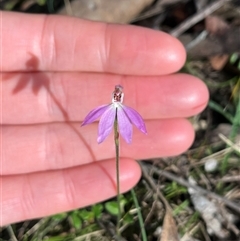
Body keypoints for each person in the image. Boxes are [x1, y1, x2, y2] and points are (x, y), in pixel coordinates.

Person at [1, 11, 209, 226]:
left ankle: (120, 214)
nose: (117, 94)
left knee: (122, 136)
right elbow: (93, 117)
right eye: (116, 93)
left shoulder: (123, 109)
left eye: (118, 93)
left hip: (116, 111)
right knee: (108, 134)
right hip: (107, 108)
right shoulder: (106, 108)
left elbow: (136, 122)